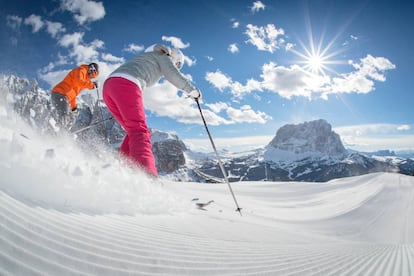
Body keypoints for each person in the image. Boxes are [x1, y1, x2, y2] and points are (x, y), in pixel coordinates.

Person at [103, 44, 201, 177]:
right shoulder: (163, 56)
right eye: (177, 65)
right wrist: (192, 90)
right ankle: (146, 175)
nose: (175, 67)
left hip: (109, 86)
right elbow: (172, 74)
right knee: (140, 131)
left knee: (133, 131)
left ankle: (124, 169)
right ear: (174, 58)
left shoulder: (148, 56)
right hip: (127, 84)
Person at [51, 63, 99, 130]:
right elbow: (78, 81)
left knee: (71, 117)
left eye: (94, 77)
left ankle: (64, 131)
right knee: (64, 114)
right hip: (60, 93)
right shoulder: (81, 70)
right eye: (93, 74)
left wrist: (73, 107)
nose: (92, 77)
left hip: (65, 96)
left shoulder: (84, 80)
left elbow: (73, 94)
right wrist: (91, 85)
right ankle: (58, 132)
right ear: (91, 69)